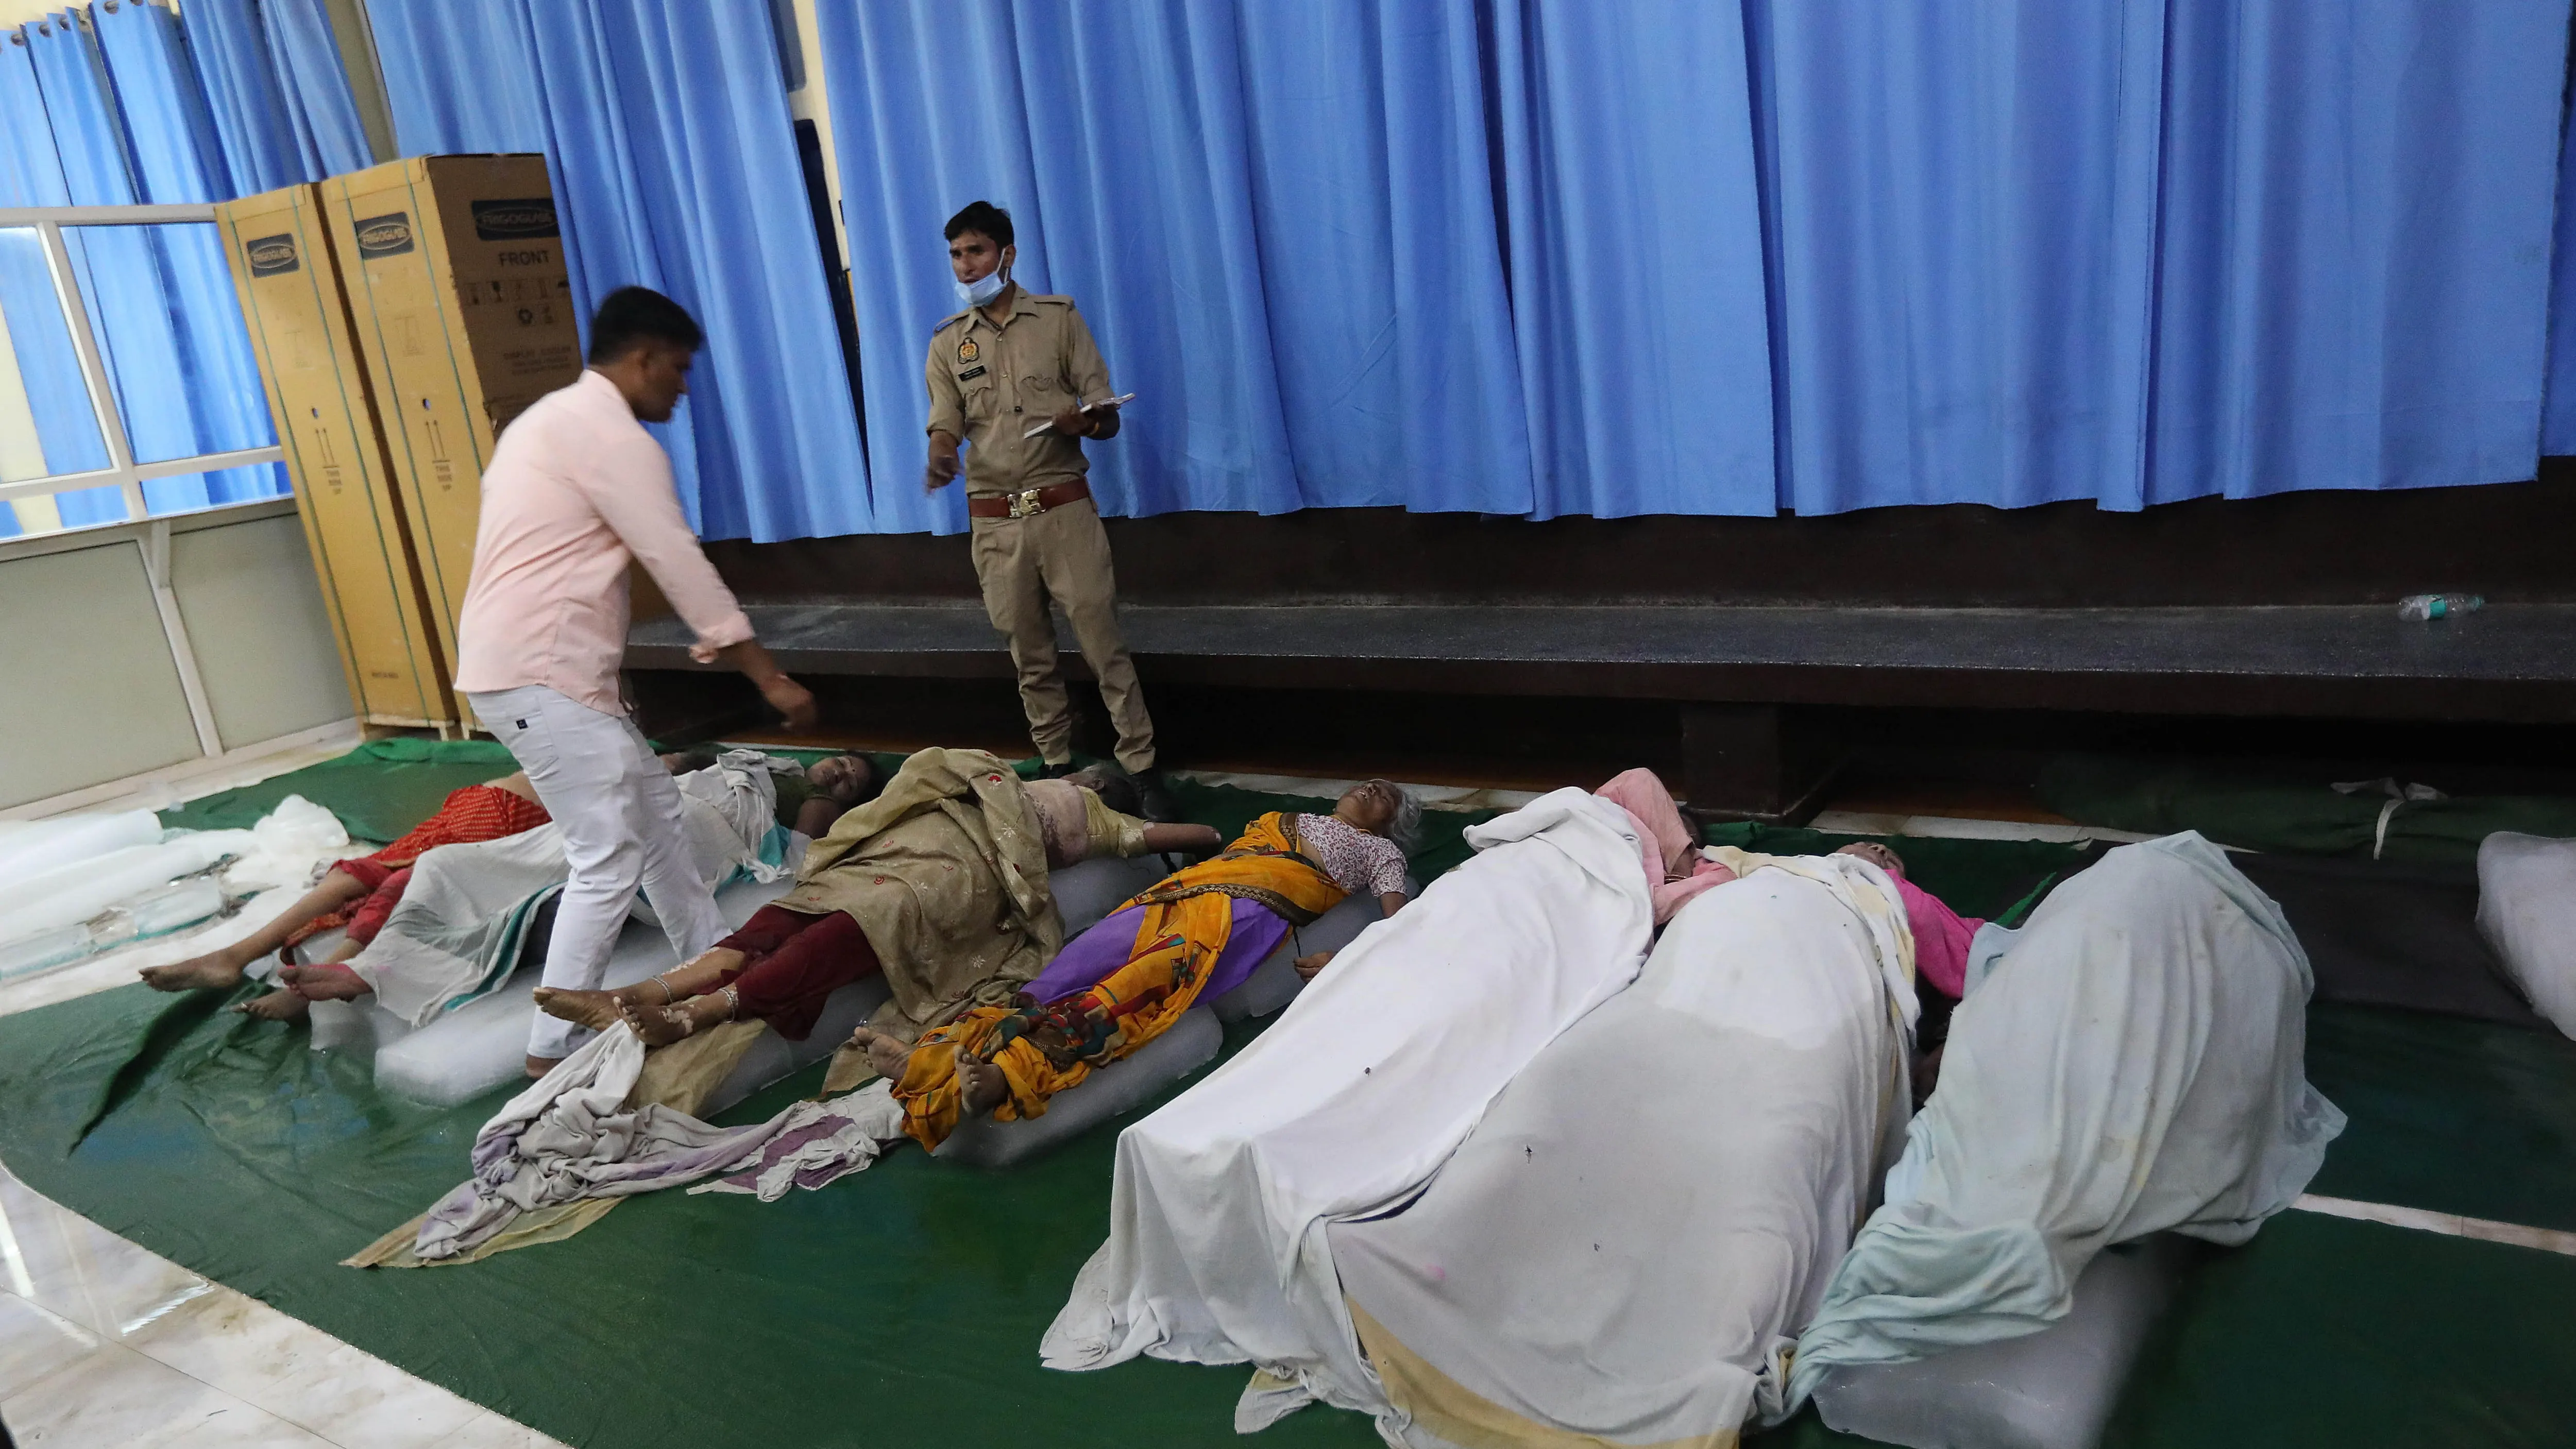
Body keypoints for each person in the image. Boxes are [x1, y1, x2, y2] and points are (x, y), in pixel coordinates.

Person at [450, 285, 820, 1077]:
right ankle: (552, 1048)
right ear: (645, 358)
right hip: (540, 674)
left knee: (658, 822)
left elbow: (568, 559)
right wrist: (766, 674)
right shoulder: (612, 437)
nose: (684, 389)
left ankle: (711, 967)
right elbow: (674, 557)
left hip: (545, 670)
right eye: (680, 370)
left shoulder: (545, 422)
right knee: (608, 854)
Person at [852, 779, 1420, 1151]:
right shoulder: (1286, 816)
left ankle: (1004, 1079)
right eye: (1368, 782)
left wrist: (1342, 960)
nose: (1369, 788)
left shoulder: (1380, 854)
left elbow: (1403, 927)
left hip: (1239, 920)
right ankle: (930, 1063)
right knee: (1064, 971)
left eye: (1384, 796)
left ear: (1392, 822)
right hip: (1174, 895)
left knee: (1120, 996)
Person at [532, 760, 1218, 1048]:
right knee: (791, 913)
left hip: (956, 877)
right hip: (911, 845)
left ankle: (693, 1014)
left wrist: (1222, 836)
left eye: (1099, 779)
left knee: (847, 933)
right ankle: (633, 992)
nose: (1086, 775)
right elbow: (936, 768)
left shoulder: (1097, 821)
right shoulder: (1002, 776)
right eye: (1088, 770)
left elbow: (1169, 835)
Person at [921, 201, 1174, 821]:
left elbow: (1106, 416)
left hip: (1062, 511)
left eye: (976, 251)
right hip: (995, 521)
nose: (965, 264)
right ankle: (1056, 767)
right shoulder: (950, 341)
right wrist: (940, 448)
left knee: (1100, 639)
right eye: (956, 254)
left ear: (1007, 254)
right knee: (1027, 651)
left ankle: (1141, 766)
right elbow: (945, 418)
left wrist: (1084, 419)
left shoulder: (1058, 320)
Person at [138, 771, 551, 1001]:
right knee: (364, 874)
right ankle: (233, 956)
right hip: (490, 809)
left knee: (398, 883)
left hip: (506, 815)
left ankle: (305, 978)